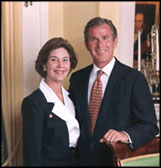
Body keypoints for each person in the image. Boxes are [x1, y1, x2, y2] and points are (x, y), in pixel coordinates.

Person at [69, 17, 159, 166]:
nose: (100, 45)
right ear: (87, 44)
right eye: (93, 39)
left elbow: (149, 126)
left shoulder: (134, 79)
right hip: (81, 161)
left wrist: (125, 135)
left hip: (115, 160)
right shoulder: (77, 79)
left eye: (105, 38)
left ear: (115, 41)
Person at [21, 37, 80, 166]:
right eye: (54, 60)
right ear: (44, 65)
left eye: (65, 60)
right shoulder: (34, 103)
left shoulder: (72, 98)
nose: (60, 65)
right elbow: (32, 155)